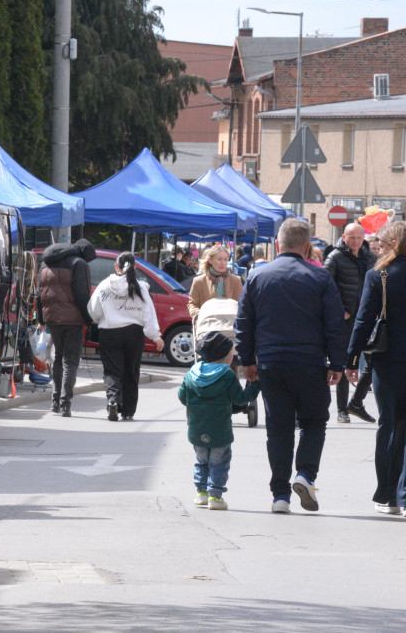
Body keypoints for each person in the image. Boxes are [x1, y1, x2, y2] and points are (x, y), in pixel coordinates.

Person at [235, 219, 346, 514]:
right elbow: (335, 324)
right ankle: (305, 475)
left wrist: (247, 361)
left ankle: (280, 496)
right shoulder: (321, 278)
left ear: (276, 245)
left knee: (278, 428)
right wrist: (337, 363)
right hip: (310, 363)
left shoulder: (257, 276)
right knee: (313, 423)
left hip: (271, 363)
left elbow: (244, 323)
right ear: (308, 247)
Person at [346, 222, 406, 514]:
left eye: (383, 241)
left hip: (389, 361)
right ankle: (404, 494)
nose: (378, 246)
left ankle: (388, 496)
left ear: (393, 243)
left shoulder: (379, 276)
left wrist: (352, 360)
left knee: (390, 424)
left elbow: (363, 321)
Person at [178, 332, 261, 511]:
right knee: (219, 462)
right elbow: (240, 399)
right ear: (225, 356)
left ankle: (201, 493)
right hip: (220, 431)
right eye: (231, 352)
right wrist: (255, 385)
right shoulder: (227, 375)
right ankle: (215, 496)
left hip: (196, 430)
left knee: (201, 461)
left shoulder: (191, 374)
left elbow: (182, 397)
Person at [88, 252, 164, 422]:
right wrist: (156, 336)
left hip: (109, 332)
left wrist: (101, 318)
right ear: (135, 267)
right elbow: (148, 314)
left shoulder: (105, 286)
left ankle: (113, 399)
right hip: (134, 334)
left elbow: (93, 310)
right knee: (131, 371)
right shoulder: (140, 288)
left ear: (116, 267)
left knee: (112, 370)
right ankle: (128, 411)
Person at [36, 238, 97, 417]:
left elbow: (39, 294)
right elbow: (82, 295)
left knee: (58, 359)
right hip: (73, 320)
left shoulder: (46, 263)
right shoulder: (79, 264)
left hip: (52, 319)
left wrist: (41, 318)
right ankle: (65, 403)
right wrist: (89, 319)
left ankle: (54, 401)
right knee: (70, 361)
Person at [324, 222, 378, 423]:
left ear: (363, 238)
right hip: (345, 320)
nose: (355, 241)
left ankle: (356, 402)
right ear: (343, 237)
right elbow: (325, 285)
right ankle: (341, 410)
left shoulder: (370, 258)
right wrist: (340, 311)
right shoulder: (335, 257)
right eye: (351, 237)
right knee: (345, 361)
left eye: (359, 237)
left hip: (367, 318)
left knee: (372, 360)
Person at [346, 235, 382, 415]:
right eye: (375, 248)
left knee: (370, 363)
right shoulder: (373, 269)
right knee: (369, 362)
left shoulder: (378, 268)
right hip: (364, 319)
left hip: (376, 325)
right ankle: (352, 404)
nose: (378, 252)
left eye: (379, 248)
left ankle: (355, 402)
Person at [187, 244, 243, 323]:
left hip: (229, 327)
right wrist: (201, 315)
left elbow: (241, 305)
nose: (223, 263)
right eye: (219, 259)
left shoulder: (236, 280)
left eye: (226, 259)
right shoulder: (198, 281)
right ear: (210, 260)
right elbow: (192, 304)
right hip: (206, 326)